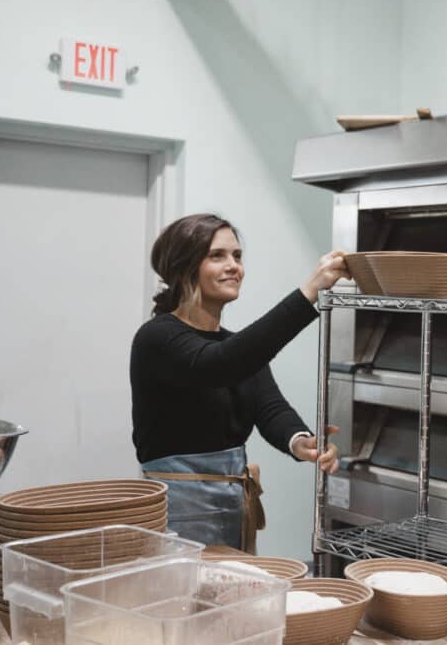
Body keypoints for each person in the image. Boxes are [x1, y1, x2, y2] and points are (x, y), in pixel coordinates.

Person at [131, 213, 348, 552]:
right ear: (183, 266)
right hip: (176, 513)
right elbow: (219, 366)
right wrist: (309, 292)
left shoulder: (234, 347)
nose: (233, 265)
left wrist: (301, 441)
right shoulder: (158, 338)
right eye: (217, 255)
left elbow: (270, 407)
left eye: (237, 256)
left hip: (234, 503)